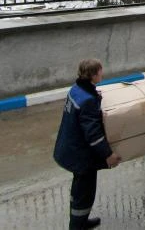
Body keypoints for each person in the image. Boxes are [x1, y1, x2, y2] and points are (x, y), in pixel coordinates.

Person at [53, 59, 121, 229]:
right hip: (81, 155)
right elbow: (93, 135)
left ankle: (79, 221)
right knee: (85, 192)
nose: (102, 74)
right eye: (100, 71)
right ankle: (77, 226)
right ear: (93, 74)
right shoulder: (88, 100)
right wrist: (108, 155)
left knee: (78, 190)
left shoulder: (76, 90)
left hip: (70, 147)